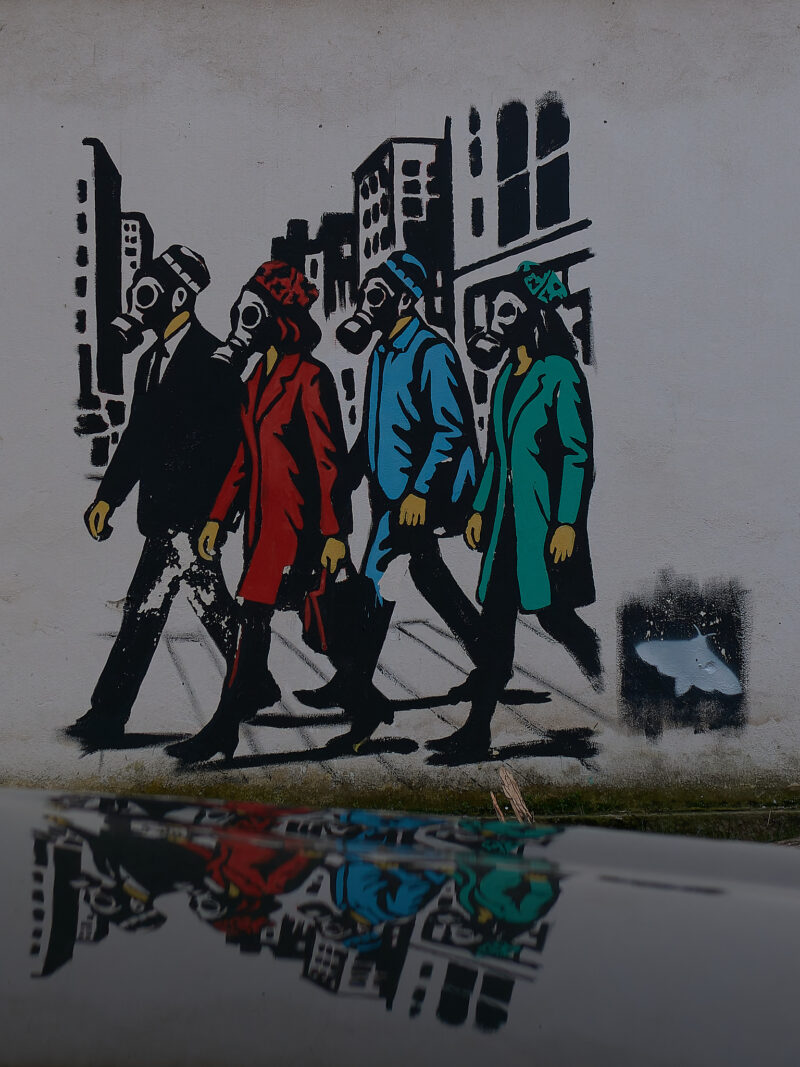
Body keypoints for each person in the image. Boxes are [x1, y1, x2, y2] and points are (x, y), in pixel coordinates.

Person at [166, 261, 351, 764]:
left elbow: (328, 462)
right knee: (272, 618)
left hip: (299, 528)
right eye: (242, 306)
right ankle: (363, 701)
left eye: (255, 310)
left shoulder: (310, 377)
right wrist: (216, 518)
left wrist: (335, 533)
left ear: (279, 319)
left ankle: (226, 726)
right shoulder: (254, 380)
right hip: (262, 526)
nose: (243, 319)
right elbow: (243, 460)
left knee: (282, 621)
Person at [295, 251, 481, 747]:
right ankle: (492, 658)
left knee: (373, 584)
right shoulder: (381, 352)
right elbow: (374, 427)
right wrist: (349, 474)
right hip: (387, 492)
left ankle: (356, 690)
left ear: (404, 300)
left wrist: (420, 491)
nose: (366, 304)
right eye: (365, 294)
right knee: (431, 578)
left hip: (417, 499)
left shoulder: (431, 352)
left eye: (376, 296)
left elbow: (451, 432)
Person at [66, 246, 243, 746]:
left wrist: (217, 518)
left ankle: (108, 714)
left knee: (148, 608)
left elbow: (234, 448)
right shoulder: (150, 361)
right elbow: (138, 439)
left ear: (180, 297)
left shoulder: (214, 361)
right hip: (164, 514)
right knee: (204, 605)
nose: (139, 306)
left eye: (147, 294)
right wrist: (108, 498)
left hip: (191, 519)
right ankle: (254, 675)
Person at [428, 262, 601, 761]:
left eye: (508, 312)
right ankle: (476, 732)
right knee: (497, 623)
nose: (497, 322)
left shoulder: (559, 374)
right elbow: (496, 457)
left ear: (533, 316)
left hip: (542, 523)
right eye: (495, 313)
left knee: (555, 618)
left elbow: (577, 455)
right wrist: (479, 510)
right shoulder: (507, 376)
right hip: (507, 525)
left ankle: (605, 674)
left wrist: (567, 522)